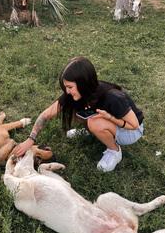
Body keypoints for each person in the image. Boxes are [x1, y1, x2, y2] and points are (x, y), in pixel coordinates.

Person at [14, 56, 144, 172]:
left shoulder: (114, 97)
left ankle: (114, 150)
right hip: (110, 123)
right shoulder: (76, 94)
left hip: (130, 131)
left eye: (70, 87)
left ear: (83, 84)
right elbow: (46, 115)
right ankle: (95, 131)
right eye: (66, 87)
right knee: (78, 110)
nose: (67, 91)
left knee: (94, 121)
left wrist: (109, 117)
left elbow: (134, 125)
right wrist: (30, 139)